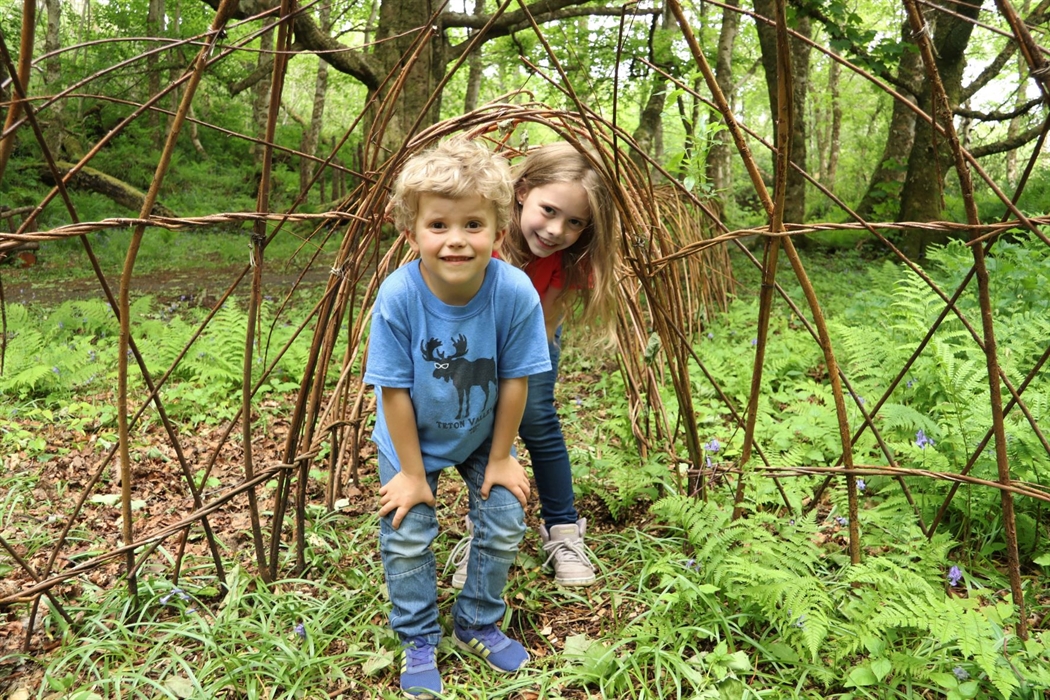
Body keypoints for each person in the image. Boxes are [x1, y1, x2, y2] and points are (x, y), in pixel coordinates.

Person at [365, 138, 552, 698]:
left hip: (480, 435)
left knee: (505, 515)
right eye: (438, 225)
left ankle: (477, 621)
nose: (456, 239)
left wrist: (501, 456)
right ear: (411, 233)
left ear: (499, 230)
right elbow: (394, 390)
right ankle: (418, 638)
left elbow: (513, 379)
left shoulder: (513, 292)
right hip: (410, 438)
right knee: (408, 531)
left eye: (473, 224)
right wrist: (412, 474)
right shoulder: (398, 296)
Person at [450, 141, 619, 589]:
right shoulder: (483, 236)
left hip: (535, 335)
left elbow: (544, 322)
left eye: (575, 222)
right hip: (478, 340)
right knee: (484, 427)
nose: (556, 229)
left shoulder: (567, 259)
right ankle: (485, 531)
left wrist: (518, 375)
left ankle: (563, 529)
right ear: (522, 191)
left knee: (538, 419)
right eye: (549, 210)